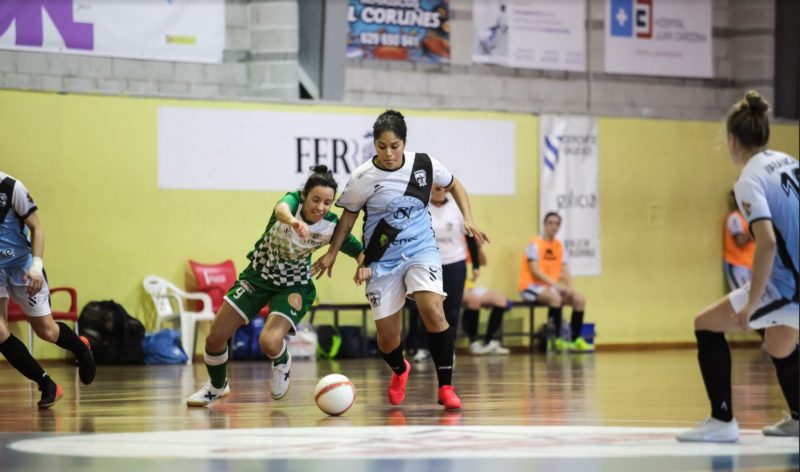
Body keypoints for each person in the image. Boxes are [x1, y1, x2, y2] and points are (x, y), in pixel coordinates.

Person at [313, 110, 488, 411]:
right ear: (375, 145)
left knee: (432, 309)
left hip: (422, 250)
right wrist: (331, 253)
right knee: (387, 339)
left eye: (394, 146)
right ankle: (400, 369)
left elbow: (455, 184)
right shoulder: (363, 177)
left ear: (403, 143)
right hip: (381, 260)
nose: (389, 153)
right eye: (382, 146)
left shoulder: (425, 164)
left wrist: (468, 219)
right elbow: (348, 218)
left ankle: (445, 386)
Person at [675, 91, 799, 442]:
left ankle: (722, 421)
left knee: (706, 325)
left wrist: (751, 301)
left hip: (789, 286)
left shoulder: (749, 179)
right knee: (779, 344)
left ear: (732, 140)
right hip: (793, 281)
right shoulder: (789, 161)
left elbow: (768, 241)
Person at [187, 165, 364, 406]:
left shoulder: (331, 226)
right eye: (316, 200)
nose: (320, 207)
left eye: (327, 202)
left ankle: (282, 361)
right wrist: (294, 222)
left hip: (293, 285)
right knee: (215, 338)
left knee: (269, 341)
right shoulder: (292, 202)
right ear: (304, 196)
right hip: (257, 278)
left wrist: (364, 268)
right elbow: (281, 209)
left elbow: (360, 252)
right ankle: (218, 387)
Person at [0, 171, 95, 409]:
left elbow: (37, 228)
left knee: (48, 332)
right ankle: (47, 384)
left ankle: (81, 347)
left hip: (22, 267)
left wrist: (36, 265)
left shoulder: (12, 187)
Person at [406, 183, 480, 364]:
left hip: (455, 263)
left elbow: (470, 238)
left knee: (452, 309)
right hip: (429, 264)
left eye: (441, 188)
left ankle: (448, 349)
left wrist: (476, 265)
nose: (438, 191)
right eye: (434, 188)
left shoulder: (456, 209)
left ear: (446, 190)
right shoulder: (422, 208)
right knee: (428, 308)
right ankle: (424, 348)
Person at [518, 212, 593, 353]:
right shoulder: (534, 243)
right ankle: (556, 339)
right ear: (544, 225)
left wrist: (569, 287)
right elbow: (535, 270)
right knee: (555, 298)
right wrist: (556, 285)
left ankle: (574, 340)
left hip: (550, 287)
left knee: (579, 299)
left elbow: (565, 271)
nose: (553, 226)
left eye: (557, 223)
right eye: (550, 223)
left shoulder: (559, 246)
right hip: (529, 287)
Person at [462, 243, 511, 355]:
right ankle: (473, 343)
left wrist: (477, 247)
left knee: (501, 300)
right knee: (474, 300)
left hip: (471, 287)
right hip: (456, 288)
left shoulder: (469, 244)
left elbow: (483, 262)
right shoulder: (454, 243)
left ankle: (490, 341)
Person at [724, 189, 755, 291]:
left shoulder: (749, 219)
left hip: (749, 266)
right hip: (738, 265)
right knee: (742, 301)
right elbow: (740, 241)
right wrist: (753, 230)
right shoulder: (735, 218)